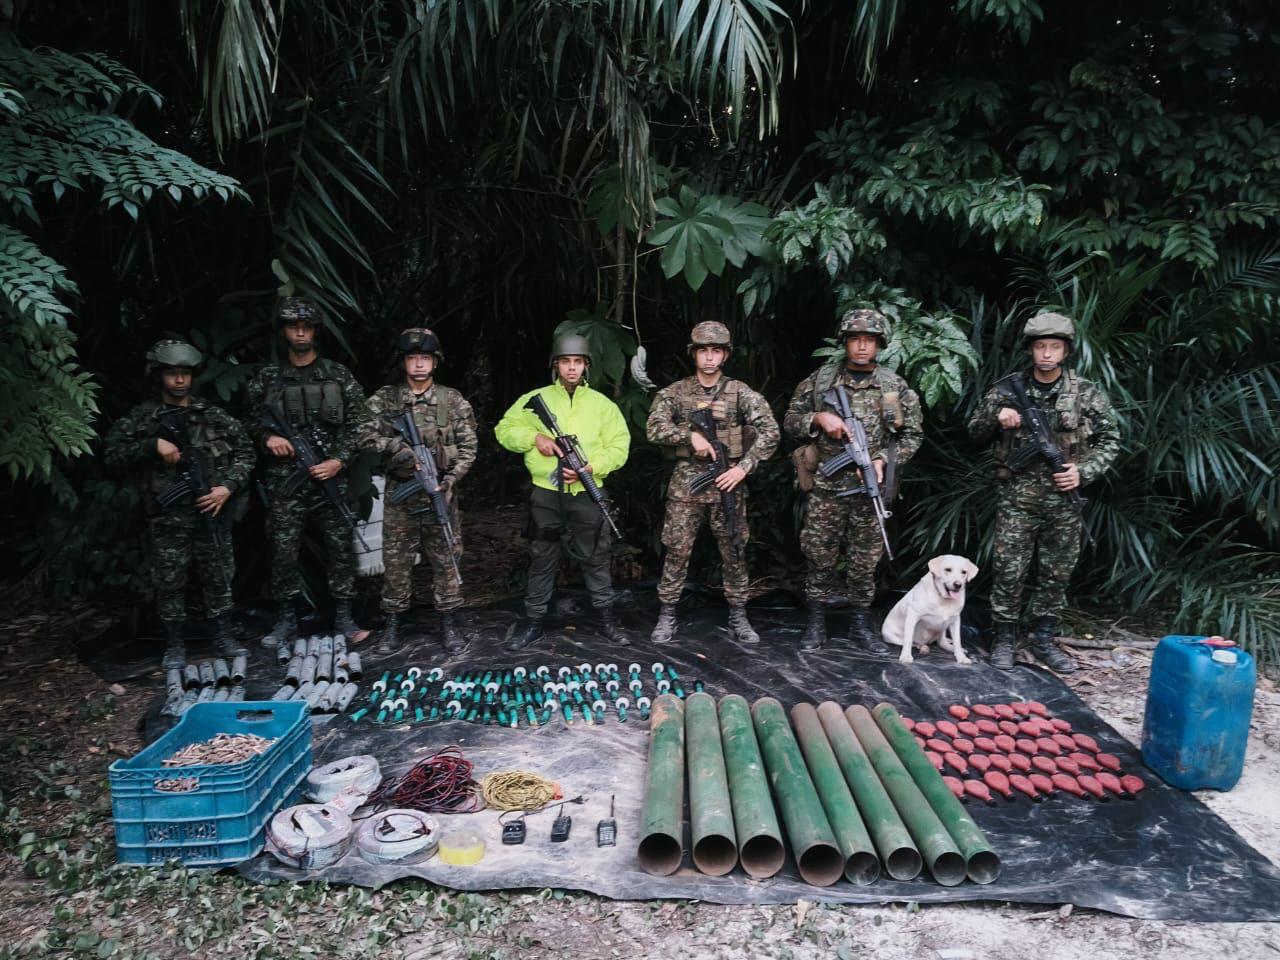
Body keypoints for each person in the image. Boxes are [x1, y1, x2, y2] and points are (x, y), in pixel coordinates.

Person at [966, 311, 1120, 672]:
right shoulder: (1008, 389)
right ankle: (1004, 639)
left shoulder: (1085, 393)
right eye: (1040, 346)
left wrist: (1083, 471)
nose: (1047, 354)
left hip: (1063, 501)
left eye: (1054, 347)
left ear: (1066, 351)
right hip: (1017, 499)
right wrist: (997, 416)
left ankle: (1043, 640)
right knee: (1008, 569)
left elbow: (1110, 439)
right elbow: (973, 432)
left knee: (1057, 573)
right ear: (1030, 350)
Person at [104, 339, 254, 668]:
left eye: (185, 373)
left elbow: (246, 451)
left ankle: (223, 636)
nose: (179, 380)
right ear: (159, 375)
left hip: (211, 511)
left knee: (219, 577)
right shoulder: (143, 419)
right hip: (168, 517)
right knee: (170, 582)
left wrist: (227, 487)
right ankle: (174, 643)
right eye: (172, 373)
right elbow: (112, 455)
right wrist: (150, 445)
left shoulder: (211, 416)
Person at [783, 309, 923, 652]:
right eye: (855, 339)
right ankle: (816, 623)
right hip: (828, 488)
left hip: (869, 490)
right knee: (819, 555)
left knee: (865, 560)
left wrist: (880, 461)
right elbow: (790, 421)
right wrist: (818, 418)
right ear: (845, 342)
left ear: (879, 345)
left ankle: (861, 623)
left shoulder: (894, 387)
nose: (862, 346)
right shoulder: (821, 382)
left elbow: (913, 435)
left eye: (869, 340)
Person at [244, 296, 373, 650]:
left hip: (330, 478)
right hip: (286, 483)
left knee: (341, 549)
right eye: (293, 326)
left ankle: (345, 617)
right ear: (284, 331)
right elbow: (248, 424)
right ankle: (287, 619)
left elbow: (361, 423)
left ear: (315, 331)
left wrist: (339, 460)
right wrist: (269, 437)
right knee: (283, 550)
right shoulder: (267, 379)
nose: (300, 333)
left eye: (306, 327)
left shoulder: (337, 375)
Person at [645, 321, 779, 644]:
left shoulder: (740, 393)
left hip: (728, 483)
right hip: (687, 485)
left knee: (734, 548)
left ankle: (738, 614)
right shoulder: (675, 393)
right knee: (676, 550)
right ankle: (667, 614)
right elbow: (654, 428)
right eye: (703, 350)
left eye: (715, 351)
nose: (709, 358)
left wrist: (743, 467)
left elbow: (771, 431)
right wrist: (688, 436)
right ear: (694, 354)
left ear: (725, 355)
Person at [495, 333, 631, 650]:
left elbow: (619, 447)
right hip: (545, 494)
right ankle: (534, 621)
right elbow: (504, 429)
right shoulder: (536, 398)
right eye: (566, 361)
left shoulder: (602, 405)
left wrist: (591, 467)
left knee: (596, 557)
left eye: (578, 362)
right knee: (542, 557)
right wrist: (534, 438)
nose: (572, 368)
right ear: (556, 365)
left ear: (587, 366)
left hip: (587, 492)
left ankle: (607, 619)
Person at [364, 327, 478, 655]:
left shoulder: (452, 400)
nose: (418, 364)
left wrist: (451, 480)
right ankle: (393, 624)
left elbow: (469, 447)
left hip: (441, 491)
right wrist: (394, 448)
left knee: (446, 555)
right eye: (412, 358)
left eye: (424, 358)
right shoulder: (385, 399)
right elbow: (362, 436)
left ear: (435, 363)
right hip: (402, 493)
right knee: (396, 561)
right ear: (404, 362)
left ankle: (449, 623)